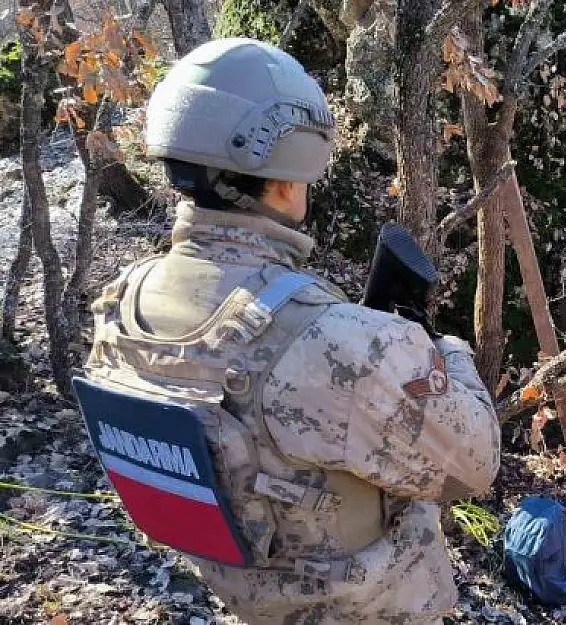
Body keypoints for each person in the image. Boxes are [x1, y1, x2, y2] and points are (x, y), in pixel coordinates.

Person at [76, 38, 500, 624]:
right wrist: (445, 353)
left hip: (243, 599)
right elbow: (474, 464)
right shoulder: (338, 343)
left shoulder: (121, 299)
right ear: (284, 177)